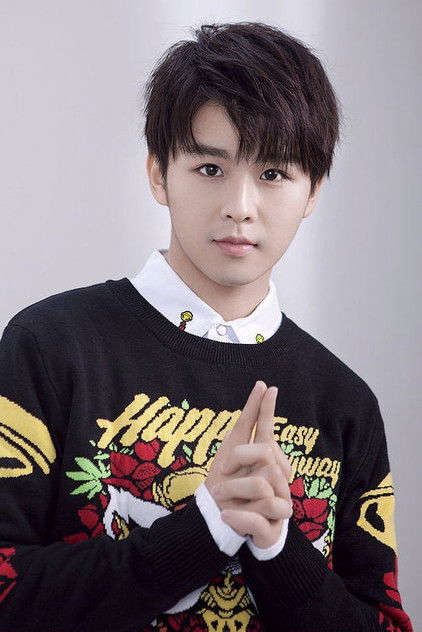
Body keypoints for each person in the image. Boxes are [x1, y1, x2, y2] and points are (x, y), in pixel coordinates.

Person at [0, 20, 413, 632]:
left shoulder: (344, 403)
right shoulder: (51, 347)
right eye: (210, 168)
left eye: (273, 174)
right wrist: (206, 528)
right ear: (157, 173)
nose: (240, 207)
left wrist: (277, 547)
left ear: (313, 192)